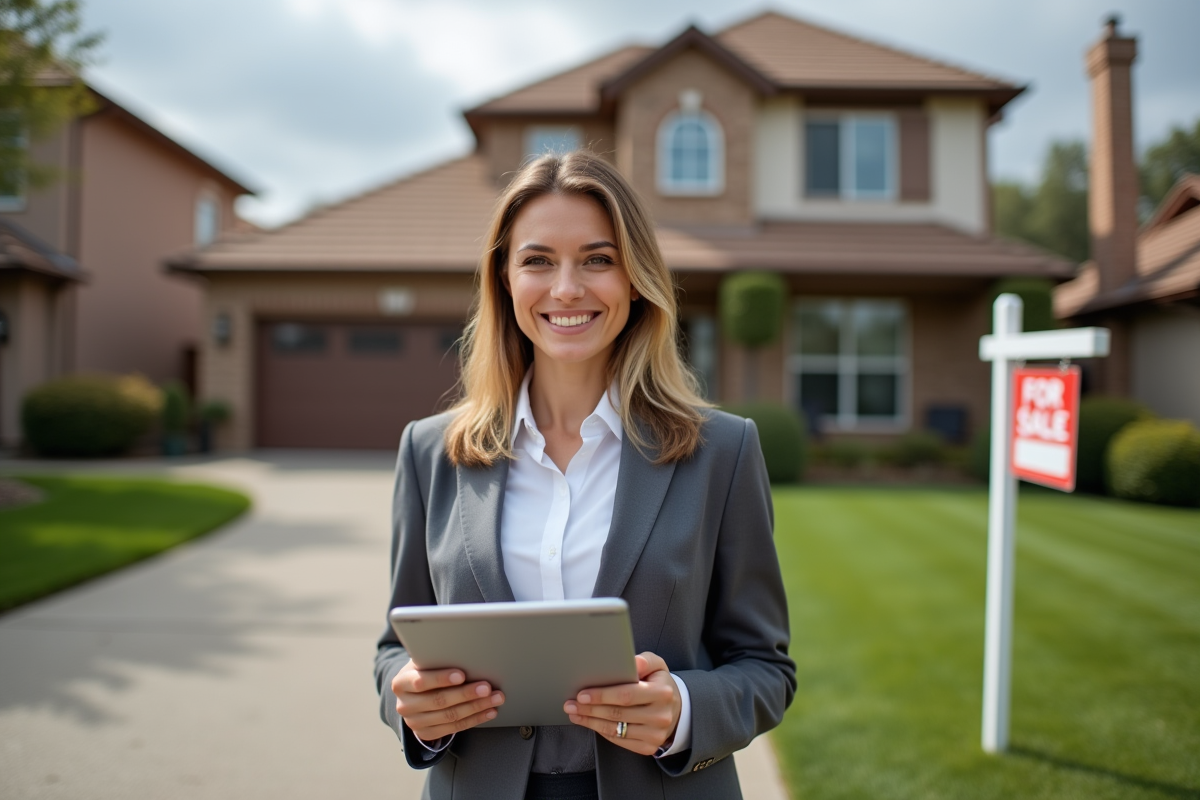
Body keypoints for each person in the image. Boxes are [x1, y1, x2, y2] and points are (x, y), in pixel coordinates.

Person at [374, 150, 795, 800]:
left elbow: (766, 668)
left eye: (597, 259)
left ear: (634, 279)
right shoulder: (432, 452)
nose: (566, 288)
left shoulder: (722, 451)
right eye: (538, 260)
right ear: (505, 280)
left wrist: (685, 708)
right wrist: (411, 703)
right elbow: (394, 650)